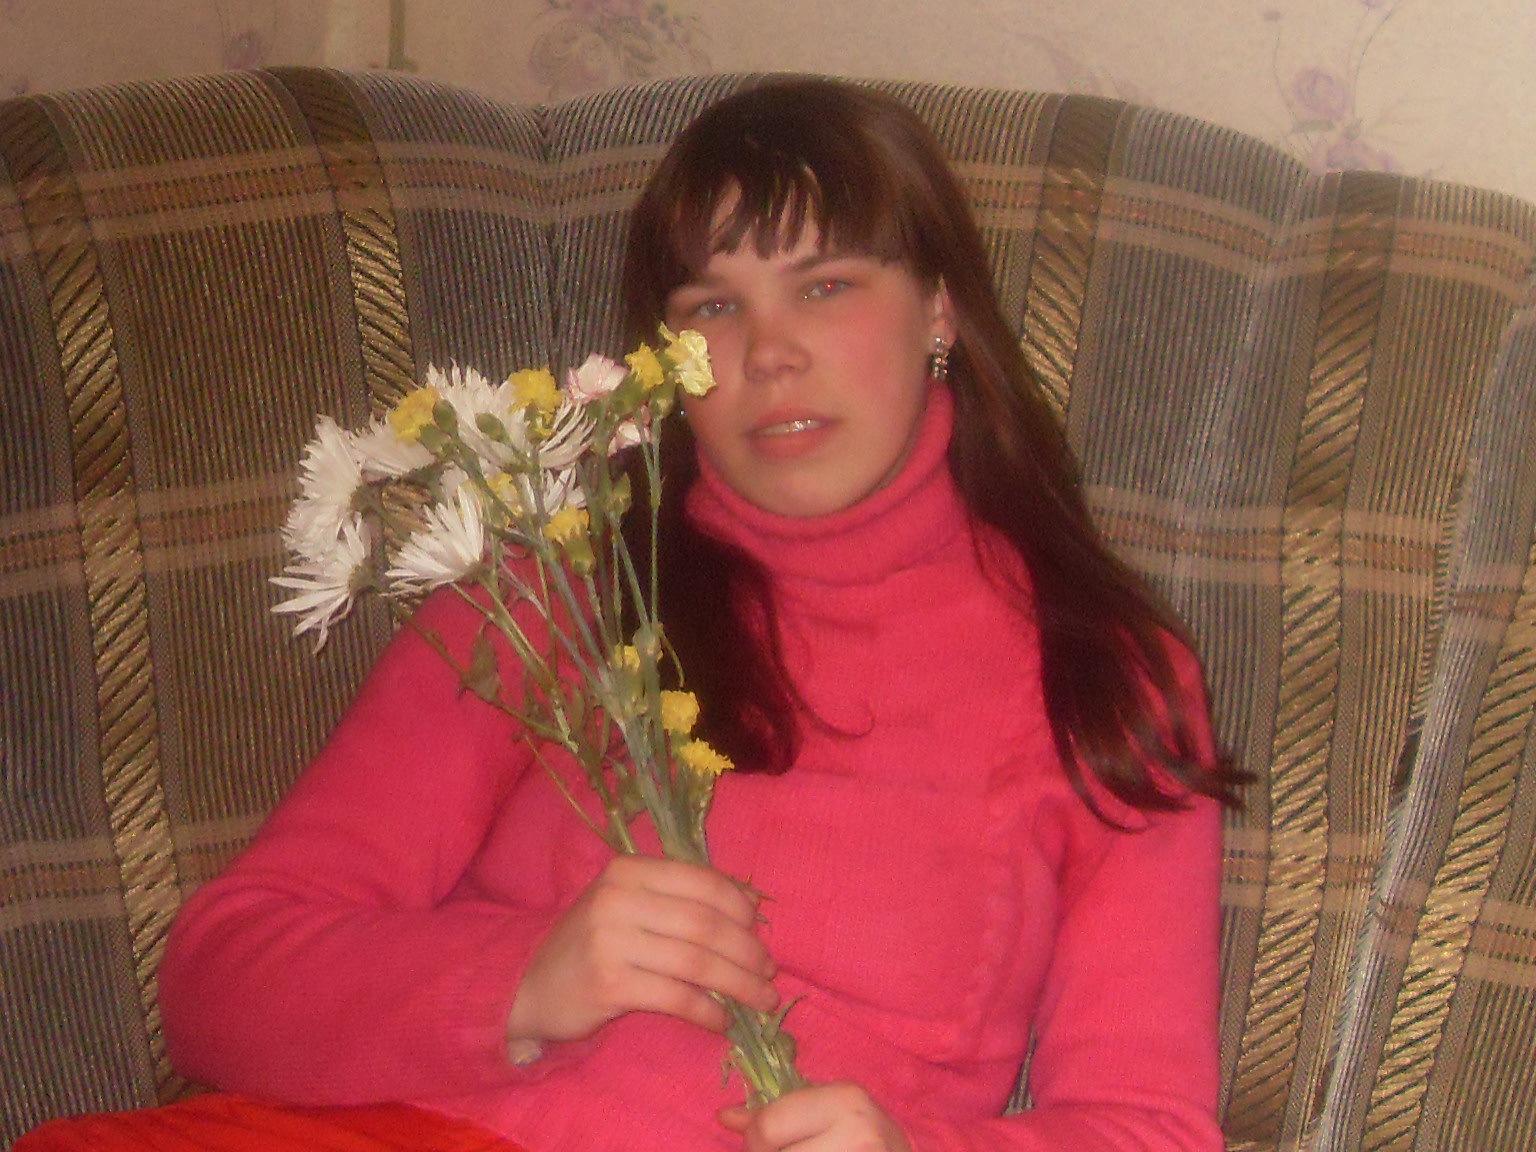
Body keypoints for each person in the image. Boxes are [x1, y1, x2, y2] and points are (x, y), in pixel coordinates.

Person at [19, 76, 1243, 1152]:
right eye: (713, 306)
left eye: (825, 286)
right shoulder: (561, 594)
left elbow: (1150, 1126)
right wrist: (524, 981)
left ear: (939, 311)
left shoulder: (1106, 674)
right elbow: (218, 980)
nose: (768, 353)